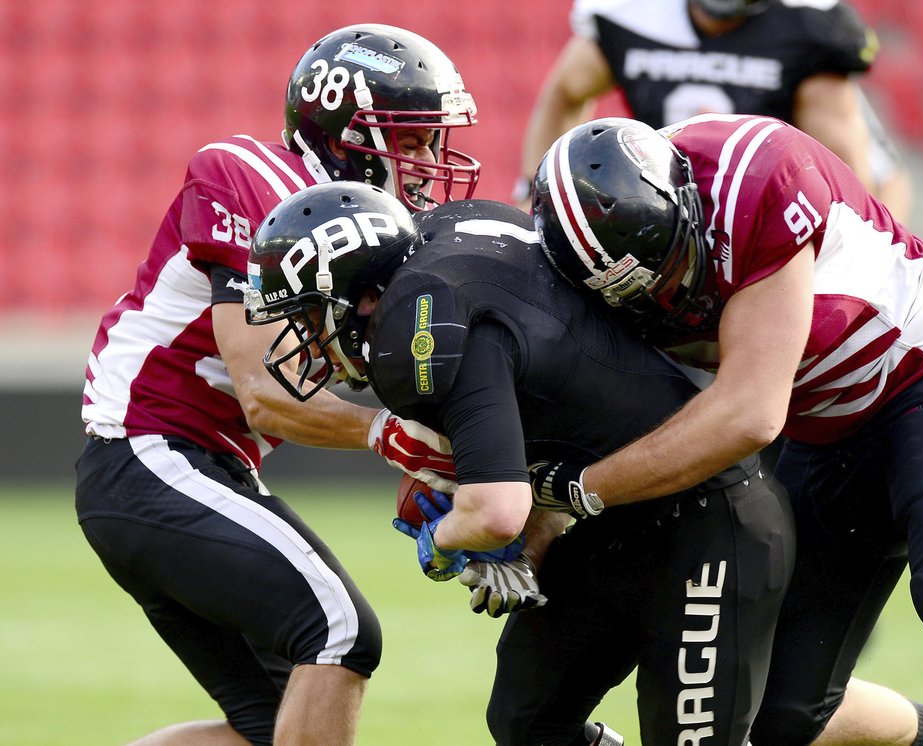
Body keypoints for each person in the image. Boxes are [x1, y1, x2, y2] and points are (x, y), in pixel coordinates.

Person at [529, 115, 923, 744]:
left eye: (675, 263)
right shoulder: (581, 272)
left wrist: (579, 489)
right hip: (825, 435)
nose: (675, 295)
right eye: (646, 291)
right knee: (775, 707)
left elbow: (749, 413)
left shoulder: (758, 175)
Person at [244, 181, 796, 745]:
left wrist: (442, 542)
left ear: (361, 297)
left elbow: (497, 511)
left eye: (310, 317)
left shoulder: (421, 327)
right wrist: (529, 526)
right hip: (618, 525)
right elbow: (565, 409)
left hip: (709, 522)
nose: (308, 340)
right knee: (528, 723)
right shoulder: (450, 240)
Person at [75, 24, 480, 746]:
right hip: (148, 450)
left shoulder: (380, 232)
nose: (425, 164)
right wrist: (390, 438)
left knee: (275, 726)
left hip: (212, 467)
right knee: (342, 632)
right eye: (410, 141)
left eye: (430, 142)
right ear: (343, 130)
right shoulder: (250, 176)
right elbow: (263, 391)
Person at [513, 0, 912, 221]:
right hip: (667, 206)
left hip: (775, 208)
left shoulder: (807, 29)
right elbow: (566, 93)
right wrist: (536, 190)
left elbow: (852, 180)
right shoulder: (630, 15)